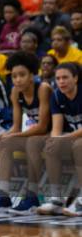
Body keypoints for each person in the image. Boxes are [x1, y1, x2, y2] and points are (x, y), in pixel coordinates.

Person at [0, 52, 51, 215]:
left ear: (32, 74)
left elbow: (42, 127)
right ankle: (4, 195)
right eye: (14, 76)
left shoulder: (43, 89)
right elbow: (16, 126)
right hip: (34, 135)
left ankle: (32, 196)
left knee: (32, 141)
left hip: (52, 133)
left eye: (22, 75)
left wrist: (13, 136)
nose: (17, 79)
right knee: (5, 143)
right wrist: (5, 134)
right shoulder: (15, 92)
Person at [36, 63, 82, 217]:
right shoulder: (56, 96)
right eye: (58, 78)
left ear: (75, 78)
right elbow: (56, 127)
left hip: (77, 140)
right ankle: (57, 199)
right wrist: (55, 140)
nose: (61, 81)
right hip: (74, 138)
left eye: (65, 77)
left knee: (78, 146)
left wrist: (65, 138)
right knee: (51, 147)